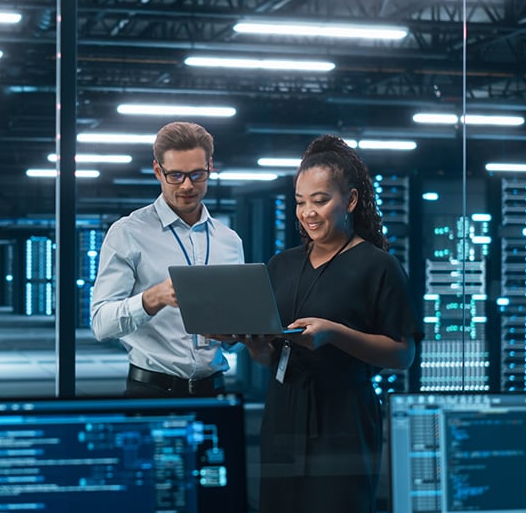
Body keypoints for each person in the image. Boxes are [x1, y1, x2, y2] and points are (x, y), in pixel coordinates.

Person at [241, 135, 423, 513]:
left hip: (343, 421)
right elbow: (271, 357)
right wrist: (254, 344)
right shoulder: (281, 265)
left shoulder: (379, 266)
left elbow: (403, 354)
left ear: (350, 201)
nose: (308, 212)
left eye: (320, 201)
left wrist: (334, 334)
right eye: (300, 201)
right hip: (282, 416)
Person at [90, 121, 245, 397]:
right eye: (175, 175)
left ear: (210, 166)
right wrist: (154, 298)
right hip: (151, 391)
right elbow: (101, 324)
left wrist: (237, 335)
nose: (187, 185)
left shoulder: (229, 241)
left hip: (214, 390)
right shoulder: (128, 232)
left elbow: (235, 336)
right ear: (157, 171)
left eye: (197, 175)